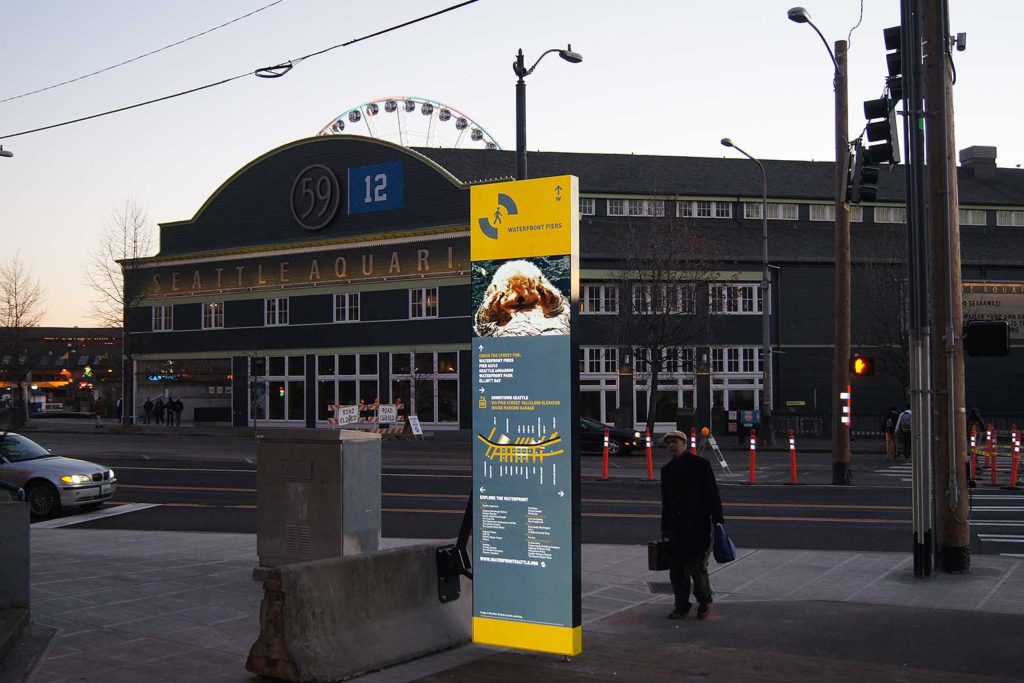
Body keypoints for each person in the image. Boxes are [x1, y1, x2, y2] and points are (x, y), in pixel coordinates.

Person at [661, 430, 724, 620]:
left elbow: (712, 492)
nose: (672, 445)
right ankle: (681, 606)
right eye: (669, 442)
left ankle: (704, 601)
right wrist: (665, 527)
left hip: (698, 525)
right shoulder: (667, 470)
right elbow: (666, 502)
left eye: (675, 441)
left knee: (697, 569)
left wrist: (718, 519)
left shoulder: (700, 465)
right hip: (676, 528)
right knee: (677, 571)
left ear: (685, 443)